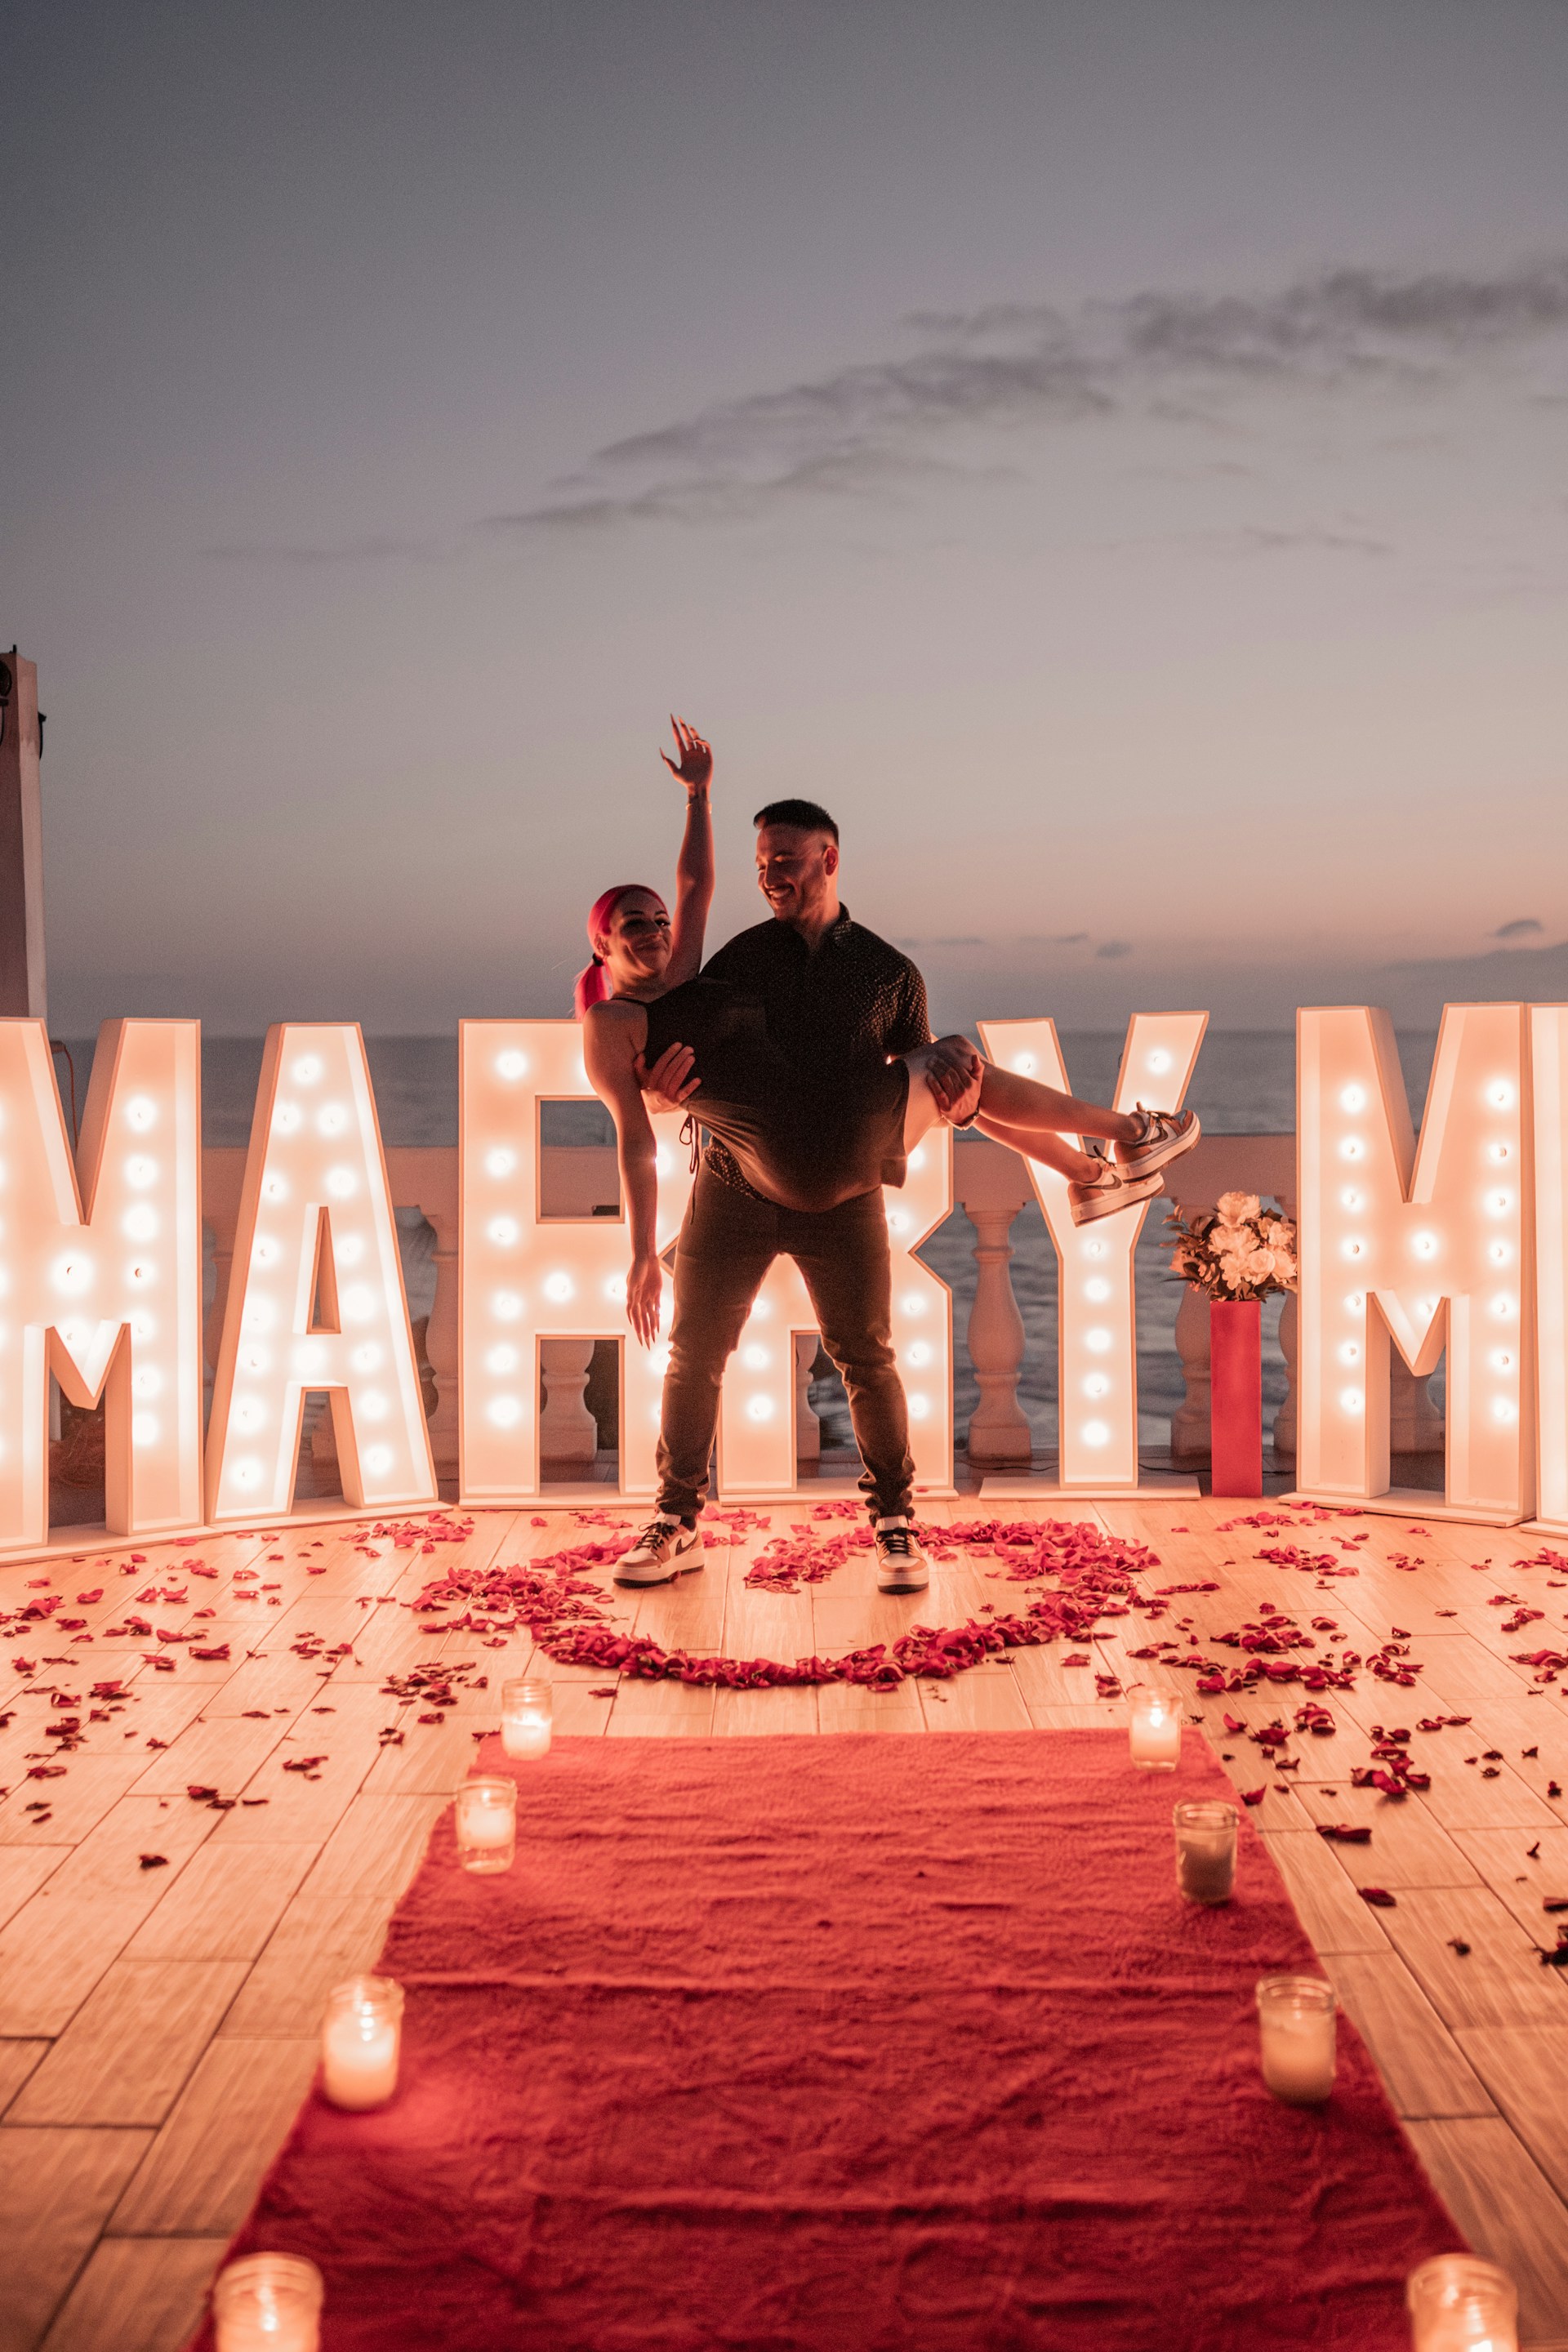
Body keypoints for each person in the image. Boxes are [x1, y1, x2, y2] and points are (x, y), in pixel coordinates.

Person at [578, 719, 1199, 1592]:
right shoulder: (728, 964)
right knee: (693, 1354)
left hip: (844, 1181)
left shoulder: (889, 972)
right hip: (735, 1185)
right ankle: (675, 1519)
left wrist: (698, 795)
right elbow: (658, 1063)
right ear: (605, 947)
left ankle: (896, 1521)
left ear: (829, 858)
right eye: (763, 864)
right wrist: (653, 1105)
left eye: (786, 860)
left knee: (868, 1353)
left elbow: (944, 1099)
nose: (771, 875)